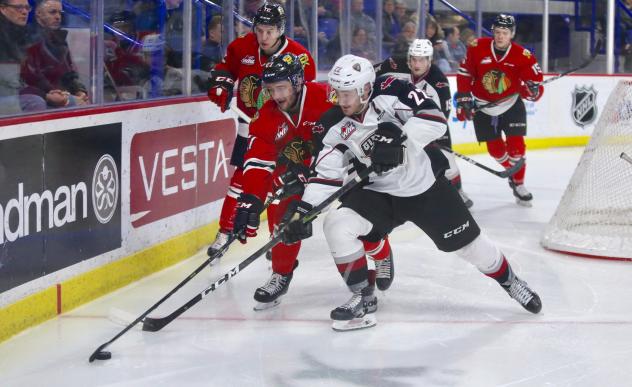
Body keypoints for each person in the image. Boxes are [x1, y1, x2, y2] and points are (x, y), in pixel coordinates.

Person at [279, 54, 542, 331]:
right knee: (337, 224)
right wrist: (303, 211)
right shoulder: (332, 125)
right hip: (378, 193)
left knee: (472, 248)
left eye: (348, 94)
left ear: (366, 88)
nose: (342, 101)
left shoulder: (393, 89)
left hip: (423, 187)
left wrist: (399, 140)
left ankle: (510, 281)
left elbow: (434, 118)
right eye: (338, 93)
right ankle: (361, 296)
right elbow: (325, 174)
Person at [206, 2, 316, 258]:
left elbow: (307, 97)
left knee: (277, 186)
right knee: (240, 182)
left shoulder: (300, 57)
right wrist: (221, 84)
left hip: (285, 133)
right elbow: (225, 68)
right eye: (260, 30)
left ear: (280, 29)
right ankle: (225, 231)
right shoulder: (241, 46)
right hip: (250, 127)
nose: (264, 37)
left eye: (270, 31)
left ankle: (276, 235)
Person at [232, 53, 333, 310]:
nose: (276, 96)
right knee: (282, 214)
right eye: (271, 89)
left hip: (337, 170)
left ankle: (378, 251)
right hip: (297, 176)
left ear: (297, 82)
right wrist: (251, 200)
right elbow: (257, 159)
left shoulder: (325, 98)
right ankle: (281, 273)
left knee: (361, 207)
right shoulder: (266, 115)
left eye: (281, 88)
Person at [456, 14, 544, 206]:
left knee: (517, 148)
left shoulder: (523, 56)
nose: (500, 36)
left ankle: (519, 184)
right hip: (482, 105)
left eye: (505, 33)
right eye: (497, 32)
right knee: (495, 150)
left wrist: (532, 90)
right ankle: (513, 174)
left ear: (512, 34)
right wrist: (463, 98)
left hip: (510, 104)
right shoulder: (477, 47)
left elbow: (536, 87)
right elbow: (465, 73)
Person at [375, 38, 473, 208]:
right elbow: (371, 73)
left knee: (448, 162)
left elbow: (441, 115)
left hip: (431, 122)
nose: (416, 63)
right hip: (399, 120)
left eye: (421, 59)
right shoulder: (394, 64)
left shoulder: (439, 82)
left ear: (430, 60)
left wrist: (429, 134)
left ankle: (458, 191)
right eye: (413, 59)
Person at [21, 0, 89, 109]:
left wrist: (79, 90)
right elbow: (33, 77)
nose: (58, 17)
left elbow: (69, 71)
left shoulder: (59, 39)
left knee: (83, 101)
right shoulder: (29, 38)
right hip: (41, 94)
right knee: (76, 103)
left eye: (60, 13)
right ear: (38, 13)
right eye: (53, 12)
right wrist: (60, 94)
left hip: (57, 92)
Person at [0, 0, 46, 114]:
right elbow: (7, 80)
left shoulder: (21, 34)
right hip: (5, 94)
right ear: (3, 9)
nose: (25, 12)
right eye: (19, 7)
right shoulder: (4, 36)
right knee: (35, 102)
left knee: (69, 102)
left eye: (27, 8)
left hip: (13, 91)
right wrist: (45, 94)